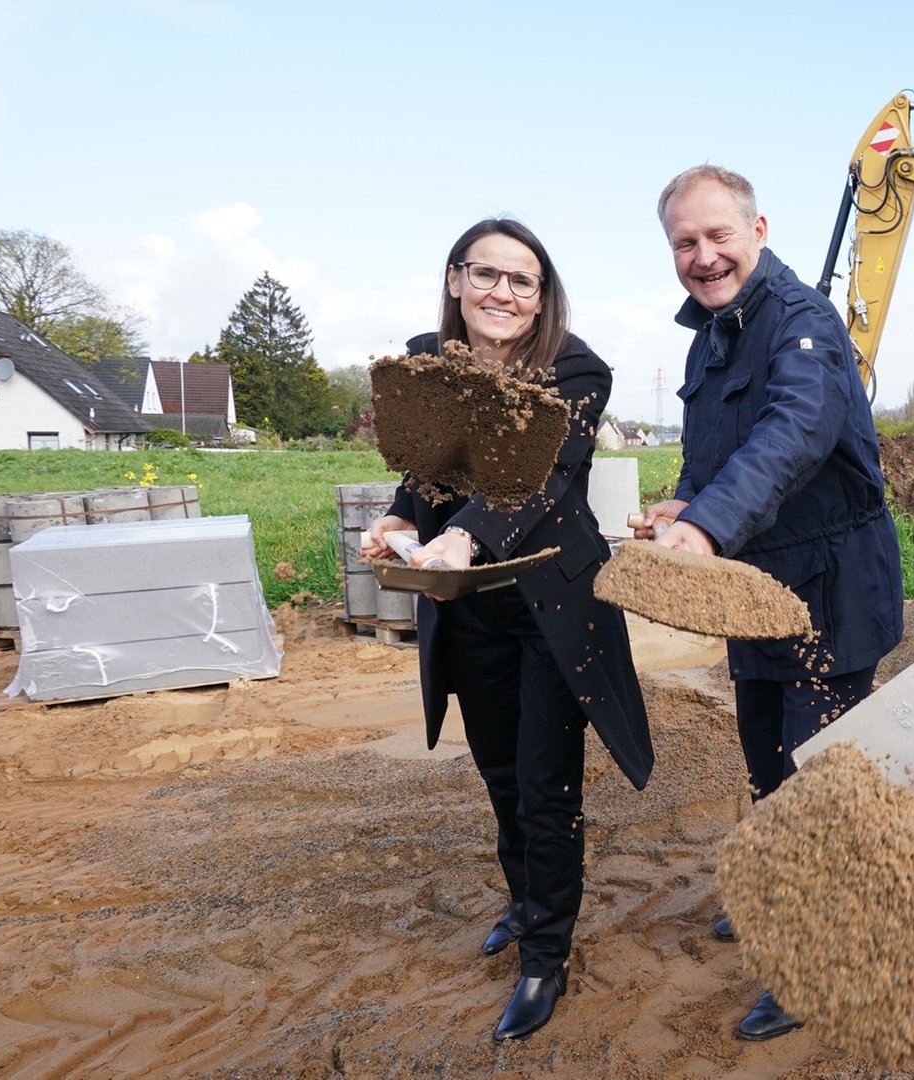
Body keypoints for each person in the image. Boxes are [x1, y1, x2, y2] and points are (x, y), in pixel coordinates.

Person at [361, 218, 653, 1044]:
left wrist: (468, 534)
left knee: (545, 782)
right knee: (498, 771)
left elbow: (542, 471)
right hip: (468, 601)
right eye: (486, 274)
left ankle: (545, 958)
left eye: (523, 281)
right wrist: (398, 515)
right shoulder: (428, 357)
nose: (503, 293)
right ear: (455, 280)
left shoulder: (575, 368)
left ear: (542, 296)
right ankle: (526, 904)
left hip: (550, 602)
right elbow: (429, 465)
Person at [639, 163, 903, 1042]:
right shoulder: (709, 337)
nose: (704, 257)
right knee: (765, 758)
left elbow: (793, 434)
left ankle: (813, 955)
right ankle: (776, 897)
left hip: (829, 588)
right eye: (686, 242)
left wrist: (707, 528)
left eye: (719, 236)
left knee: (815, 772)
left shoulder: (801, 323)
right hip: (755, 589)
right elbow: (713, 448)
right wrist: (685, 501)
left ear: (759, 229)